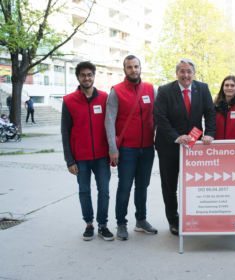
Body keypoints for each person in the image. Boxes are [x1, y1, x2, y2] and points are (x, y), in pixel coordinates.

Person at [154, 58, 216, 235]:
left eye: (189, 71)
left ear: (193, 73)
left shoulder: (202, 88)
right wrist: (176, 137)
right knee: (169, 186)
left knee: (194, 184)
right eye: (182, 71)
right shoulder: (165, 91)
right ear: (177, 73)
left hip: (194, 146)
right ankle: (173, 220)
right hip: (169, 146)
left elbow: (210, 112)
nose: (186, 75)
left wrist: (210, 133)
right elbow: (160, 118)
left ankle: (194, 217)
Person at [105, 55, 157, 241]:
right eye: (129, 67)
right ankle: (121, 223)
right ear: (124, 69)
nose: (133, 70)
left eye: (136, 66)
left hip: (147, 148)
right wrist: (113, 148)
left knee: (143, 186)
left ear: (140, 67)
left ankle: (141, 220)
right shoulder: (116, 91)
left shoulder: (151, 89)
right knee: (125, 187)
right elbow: (109, 122)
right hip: (126, 149)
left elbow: (157, 116)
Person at [61, 61, 114, 241]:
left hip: (101, 156)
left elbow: (111, 126)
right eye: (83, 75)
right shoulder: (69, 101)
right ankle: (89, 224)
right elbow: (65, 132)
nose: (87, 78)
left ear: (94, 76)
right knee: (84, 191)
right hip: (80, 157)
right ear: (78, 77)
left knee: (104, 191)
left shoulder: (105, 98)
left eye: (89, 75)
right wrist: (70, 160)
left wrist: (113, 151)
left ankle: (103, 224)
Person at [214, 75, 235, 140]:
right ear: (222, 88)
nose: (229, 88)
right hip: (216, 147)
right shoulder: (214, 107)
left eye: (232, 85)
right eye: (226, 85)